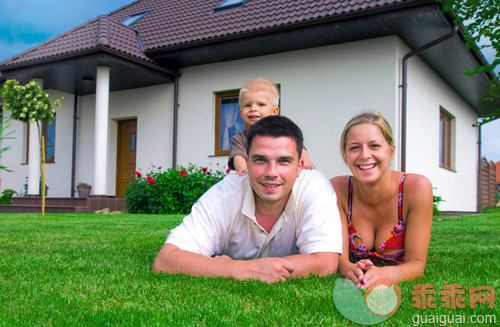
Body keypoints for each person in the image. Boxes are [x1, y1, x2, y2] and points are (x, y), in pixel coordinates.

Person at [153, 115, 342, 283]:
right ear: (247, 161)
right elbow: (166, 260)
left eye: (284, 161)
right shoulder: (223, 195)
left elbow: (325, 263)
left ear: (300, 166)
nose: (271, 173)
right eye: (260, 160)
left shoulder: (315, 188)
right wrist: (243, 270)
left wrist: (228, 267)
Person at [330, 112, 433, 288]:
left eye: (374, 146)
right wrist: (349, 269)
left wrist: (384, 274)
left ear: (391, 151)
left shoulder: (416, 188)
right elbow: (339, 259)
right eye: (354, 147)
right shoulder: (337, 189)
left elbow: (417, 264)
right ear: (345, 154)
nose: (364, 155)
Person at [228, 78, 314, 175]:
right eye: (247, 105)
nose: (253, 109)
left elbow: (299, 148)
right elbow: (238, 156)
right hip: (255, 179)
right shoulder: (240, 138)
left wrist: (306, 163)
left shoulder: (284, 132)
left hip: (280, 175)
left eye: (261, 104)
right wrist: (244, 170)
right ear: (241, 112)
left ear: (274, 111)